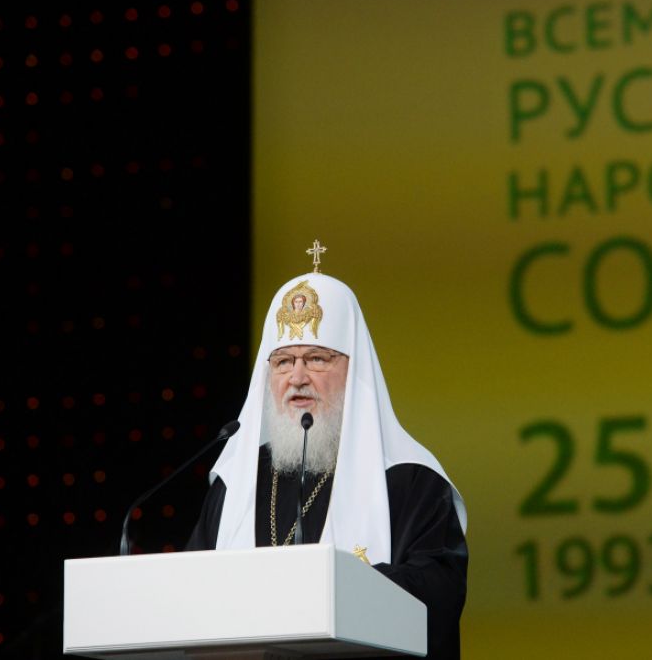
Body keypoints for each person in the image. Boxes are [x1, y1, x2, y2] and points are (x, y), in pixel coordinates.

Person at [186, 269, 468, 659]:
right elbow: (192, 598)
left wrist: (329, 586)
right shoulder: (237, 483)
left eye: (317, 359)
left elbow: (438, 597)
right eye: (283, 362)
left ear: (355, 371)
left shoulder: (410, 478)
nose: (297, 377)